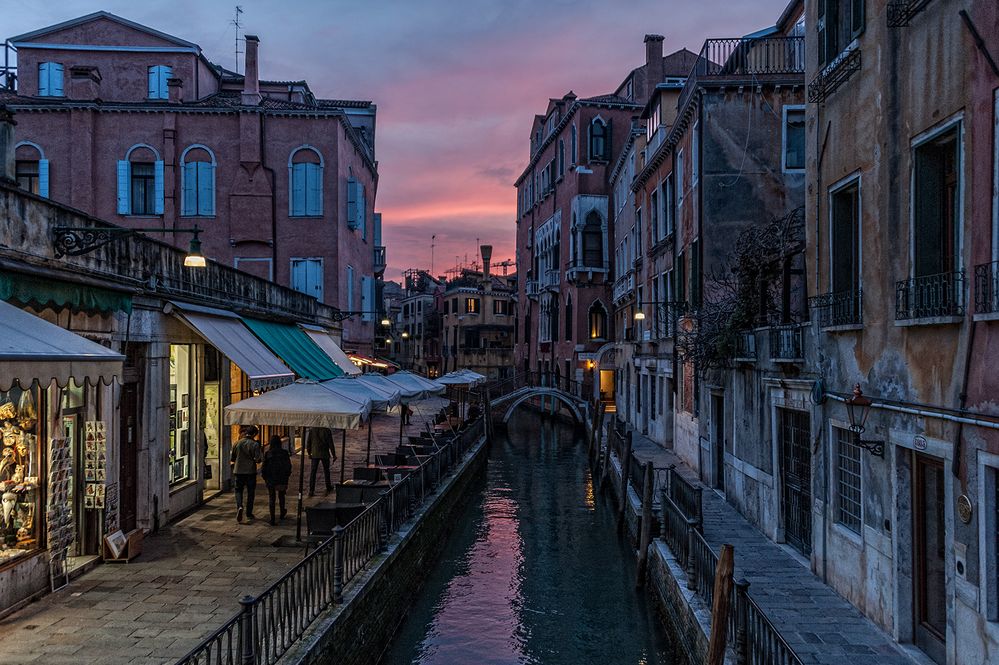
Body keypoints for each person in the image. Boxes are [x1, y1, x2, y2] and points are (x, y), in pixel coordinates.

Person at [230, 425, 262, 523]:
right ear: (254, 434)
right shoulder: (255, 444)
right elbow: (258, 460)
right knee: (250, 492)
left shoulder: (237, 443)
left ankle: (239, 506)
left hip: (238, 471)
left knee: (238, 490)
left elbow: (232, 458)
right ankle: (249, 513)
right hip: (250, 472)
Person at [260, 435, 293, 526]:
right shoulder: (284, 453)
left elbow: (264, 467)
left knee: (272, 498)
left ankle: (272, 518)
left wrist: (265, 477)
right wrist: (287, 475)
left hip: (271, 478)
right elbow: (288, 465)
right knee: (282, 495)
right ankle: (282, 512)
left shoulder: (268, 453)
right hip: (282, 478)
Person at [306, 426, 335, 497]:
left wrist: (309, 453)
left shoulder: (312, 430)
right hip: (324, 453)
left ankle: (311, 490)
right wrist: (333, 454)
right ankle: (328, 486)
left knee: (313, 472)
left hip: (315, 453)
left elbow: (308, 442)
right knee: (326, 471)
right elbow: (331, 444)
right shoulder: (327, 430)